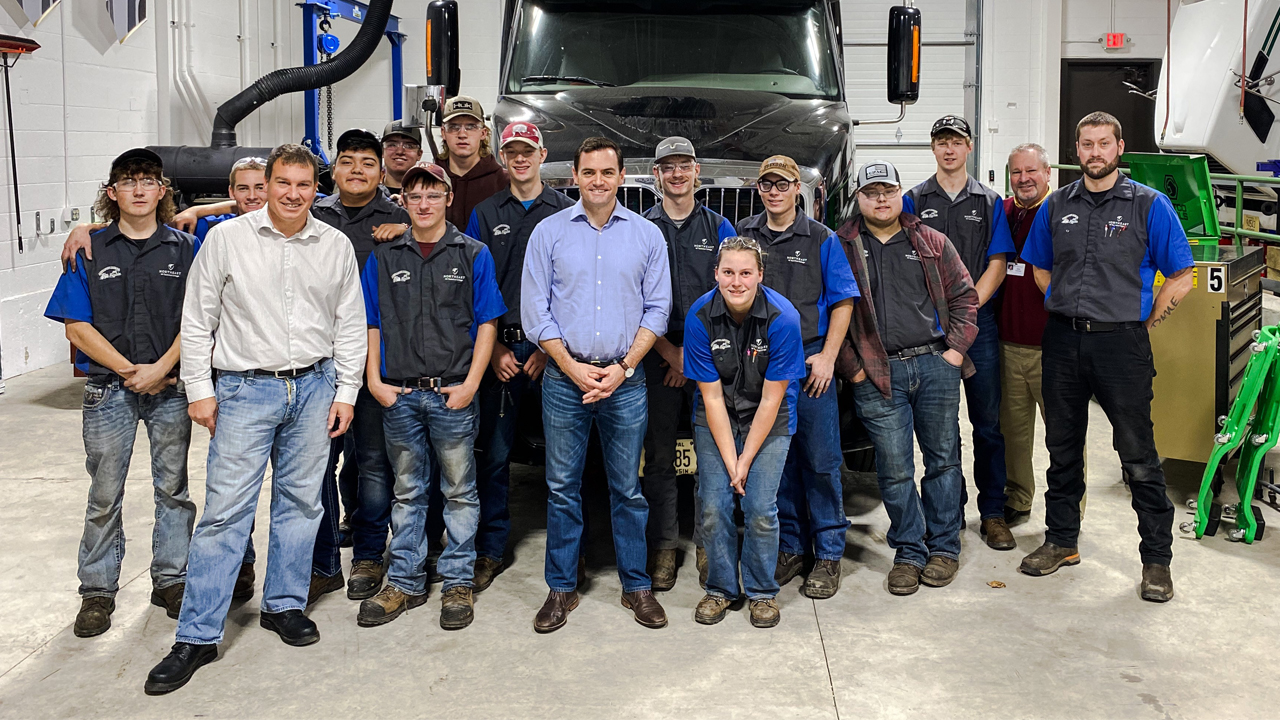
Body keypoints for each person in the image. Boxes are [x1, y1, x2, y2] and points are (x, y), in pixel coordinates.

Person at [144, 144, 366, 695]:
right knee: (225, 514)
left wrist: (346, 391)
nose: (293, 194)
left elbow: (350, 324)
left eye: (304, 184)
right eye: (283, 183)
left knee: (300, 504)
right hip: (244, 389)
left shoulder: (333, 244)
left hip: (314, 387)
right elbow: (197, 320)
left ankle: (284, 604)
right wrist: (199, 389)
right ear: (264, 185)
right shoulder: (226, 240)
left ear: (317, 187)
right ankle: (197, 634)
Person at [1019, 111, 1194, 602]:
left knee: (1138, 455)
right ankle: (1061, 541)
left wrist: (1144, 322)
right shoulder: (1056, 207)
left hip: (1123, 345)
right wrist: (1071, 310)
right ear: (1076, 151)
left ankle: (1156, 561)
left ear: (1119, 148)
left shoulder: (1149, 206)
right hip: (1063, 343)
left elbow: (1182, 274)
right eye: (1086, 144)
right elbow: (1041, 270)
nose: (1095, 153)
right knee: (1061, 447)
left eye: (1104, 144)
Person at [44, 148, 199, 638]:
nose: (138, 189)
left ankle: (171, 578)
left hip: (170, 388)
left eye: (147, 181)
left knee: (173, 490)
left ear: (162, 191)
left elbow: (198, 320)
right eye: (127, 181)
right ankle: (97, 591)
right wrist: (132, 370)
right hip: (108, 391)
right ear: (112, 193)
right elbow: (76, 326)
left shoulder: (186, 249)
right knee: (104, 493)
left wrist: (161, 369)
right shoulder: (88, 248)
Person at [521, 136, 672, 633]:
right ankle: (561, 588)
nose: (599, 181)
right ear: (575, 176)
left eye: (608, 172)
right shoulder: (548, 233)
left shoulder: (647, 236)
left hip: (624, 382)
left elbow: (658, 309)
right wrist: (569, 366)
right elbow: (534, 311)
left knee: (627, 488)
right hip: (566, 382)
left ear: (622, 175)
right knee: (562, 488)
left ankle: (636, 586)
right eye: (589, 172)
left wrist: (624, 367)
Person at [356, 161, 506, 630]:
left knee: (460, 491)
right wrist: (376, 381)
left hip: (452, 394)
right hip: (398, 394)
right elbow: (371, 323)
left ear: (446, 199)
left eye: (432, 195)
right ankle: (404, 581)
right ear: (404, 202)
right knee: (407, 491)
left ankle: (458, 580)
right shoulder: (383, 257)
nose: (423, 204)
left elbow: (487, 323)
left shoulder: (473, 253)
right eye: (414, 196)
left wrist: (472, 384)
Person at [836, 160, 978, 595]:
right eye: (872, 191)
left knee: (943, 461)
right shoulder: (839, 247)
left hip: (934, 365)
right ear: (858, 199)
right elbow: (828, 316)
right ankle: (910, 551)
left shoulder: (931, 241)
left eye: (888, 190)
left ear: (901, 194)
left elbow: (965, 298)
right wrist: (854, 370)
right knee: (895, 470)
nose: (881, 199)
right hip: (878, 373)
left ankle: (943, 548)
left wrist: (953, 353)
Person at [736, 155, 858, 599]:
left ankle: (827, 553)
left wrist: (828, 356)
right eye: (766, 184)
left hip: (809, 365)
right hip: (762, 364)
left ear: (796, 189)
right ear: (759, 189)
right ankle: (790, 548)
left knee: (821, 461)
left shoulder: (822, 238)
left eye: (782, 184)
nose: (774, 191)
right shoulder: (743, 236)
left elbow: (843, 301)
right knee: (776, 461)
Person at [461, 121, 573, 591]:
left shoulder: (566, 213)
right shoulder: (485, 214)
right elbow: (471, 287)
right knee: (495, 456)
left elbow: (575, 290)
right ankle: (488, 550)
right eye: (512, 151)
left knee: (566, 463)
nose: (520, 158)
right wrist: (495, 351)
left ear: (542, 154)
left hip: (555, 354)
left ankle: (571, 555)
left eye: (528, 150)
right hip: (502, 350)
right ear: (502, 157)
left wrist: (553, 351)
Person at [308, 128, 412, 606]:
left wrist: (408, 227)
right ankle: (325, 560)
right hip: (316, 360)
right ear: (334, 170)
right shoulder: (310, 214)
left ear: (380, 169)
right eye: (347, 161)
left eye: (367, 162)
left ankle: (370, 555)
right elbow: (250, 210)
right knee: (318, 465)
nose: (356, 170)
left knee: (371, 462)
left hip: (374, 362)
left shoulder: (398, 215)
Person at [902, 115, 1016, 550]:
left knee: (987, 424)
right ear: (933, 148)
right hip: (930, 331)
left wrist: (966, 311)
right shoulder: (913, 200)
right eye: (941, 142)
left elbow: (997, 264)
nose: (949, 150)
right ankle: (948, 513)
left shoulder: (989, 202)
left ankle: (992, 513)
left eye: (957, 142)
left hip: (979, 327)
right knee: (941, 429)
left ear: (969, 147)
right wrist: (941, 315)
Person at [684, 236, 806, 628]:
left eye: (746, 273)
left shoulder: (782, 318)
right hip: (717, 417)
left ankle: (761, 592)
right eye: (729, 272)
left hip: (769, 418)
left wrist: (746, 460)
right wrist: (731, 461)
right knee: (714, 505)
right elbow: (713, 399)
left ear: (760, 275)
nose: (737, 282)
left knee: (759, 508)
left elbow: (772, 401)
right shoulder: (699, 316)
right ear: (716, 273)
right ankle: (720, 588)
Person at [641, 136, 735, 590]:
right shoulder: (640, 227)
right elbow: (633, 298)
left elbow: (729, 295)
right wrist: (666, 352)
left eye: (684, 166)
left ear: (697, 172)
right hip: (654, 354)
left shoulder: (719, 227)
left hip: (707, 357)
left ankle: (705, 543)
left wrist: (691, 358)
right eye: (668, 167)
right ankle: (662, 547)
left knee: (710, 456)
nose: (676, 174)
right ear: (656, 175)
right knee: (659, 456)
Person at [997, 143, 1087, 524]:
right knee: (1012, 433)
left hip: (1055, 347)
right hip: (1007, 344)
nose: (1024, 179)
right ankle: (1018, 498)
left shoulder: (1065, 213)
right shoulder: (1002, 211)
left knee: (1064, 435)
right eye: (1017, 172)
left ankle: (1071, 510)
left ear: (1048, 174)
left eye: (1032, 171)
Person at [438, 95, 507, 228]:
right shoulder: (430, 181)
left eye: (471, 127)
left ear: (483, 133)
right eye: (453, 127)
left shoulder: (504, 183)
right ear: (443, 133)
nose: (462, 134)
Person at [381, 119, 424, 195]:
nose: (400, 151)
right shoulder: (369, 193)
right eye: (392, 145)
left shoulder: (428, 195)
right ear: (382, 151)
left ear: (419, 154)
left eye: (409, 146)